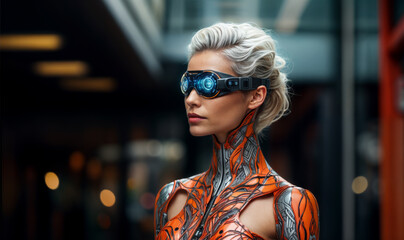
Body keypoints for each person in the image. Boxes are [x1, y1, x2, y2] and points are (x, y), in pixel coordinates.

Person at [154, 23, 319, 240]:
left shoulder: (288, 203)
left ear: (255, 96)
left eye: (208, 84)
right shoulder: (170, 196)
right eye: (188, 84)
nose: (191, 99)